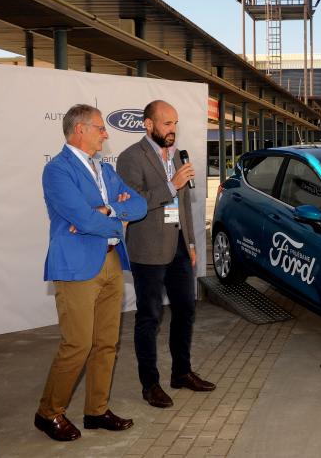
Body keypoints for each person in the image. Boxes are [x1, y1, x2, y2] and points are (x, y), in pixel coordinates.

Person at [35, 104, 147, 442]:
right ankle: (48, 413)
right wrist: (113, 216)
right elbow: (81, 219)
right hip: (77, 266)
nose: (106, 133)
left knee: (106, 343)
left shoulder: (103, 169)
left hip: (111, 261)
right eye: (100, 127)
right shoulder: (57, 170)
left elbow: (139, 205)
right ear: (79, 130)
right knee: (78, 344)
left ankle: (96, 411)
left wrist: (109, 208)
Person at [117, 100, 215, 409]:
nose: (173, 130)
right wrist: (171, 185)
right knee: (150, 317)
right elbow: (132, 204)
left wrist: (192, 243)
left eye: (175, 124)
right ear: (149, 124)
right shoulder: (131, 158)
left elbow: (184, 204)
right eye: (167, 124)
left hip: (179, 249)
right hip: (148, 250)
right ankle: (150, 384)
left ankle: (181, 373)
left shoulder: (176, 156)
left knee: (186, 310)